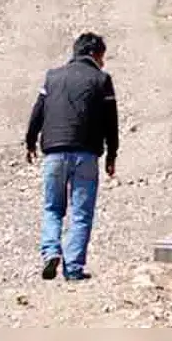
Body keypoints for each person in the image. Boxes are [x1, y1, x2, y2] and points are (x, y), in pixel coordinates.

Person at [24, 32, 119, 281]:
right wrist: (112, 155)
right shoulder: (101, 79)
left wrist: (30, 142)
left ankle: (51, 251)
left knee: (53, 208)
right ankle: (73, 269)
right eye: (103, 56)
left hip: (54, 154)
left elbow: (38, 111)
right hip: (86, 155)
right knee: (81, 213)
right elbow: (112, 122)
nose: (104, 62)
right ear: (96, 55)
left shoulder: (52, 77)